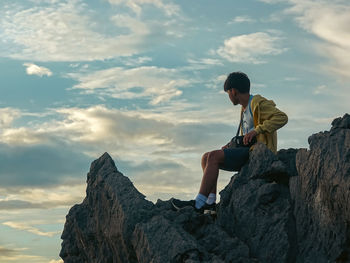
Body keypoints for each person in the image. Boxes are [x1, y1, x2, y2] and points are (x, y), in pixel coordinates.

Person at [171, 71, 288, 214]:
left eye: (228, 93)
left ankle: (198, 204)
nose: (229, 96)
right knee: (206, 157)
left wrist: (258, 130)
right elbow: (246, 136)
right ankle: (210, 203)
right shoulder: (244, 109)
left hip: (257, 155)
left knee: (213, 156)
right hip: (247, 150)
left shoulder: (257, 102)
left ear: (233, 91)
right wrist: (231, 145)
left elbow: (282, 117)